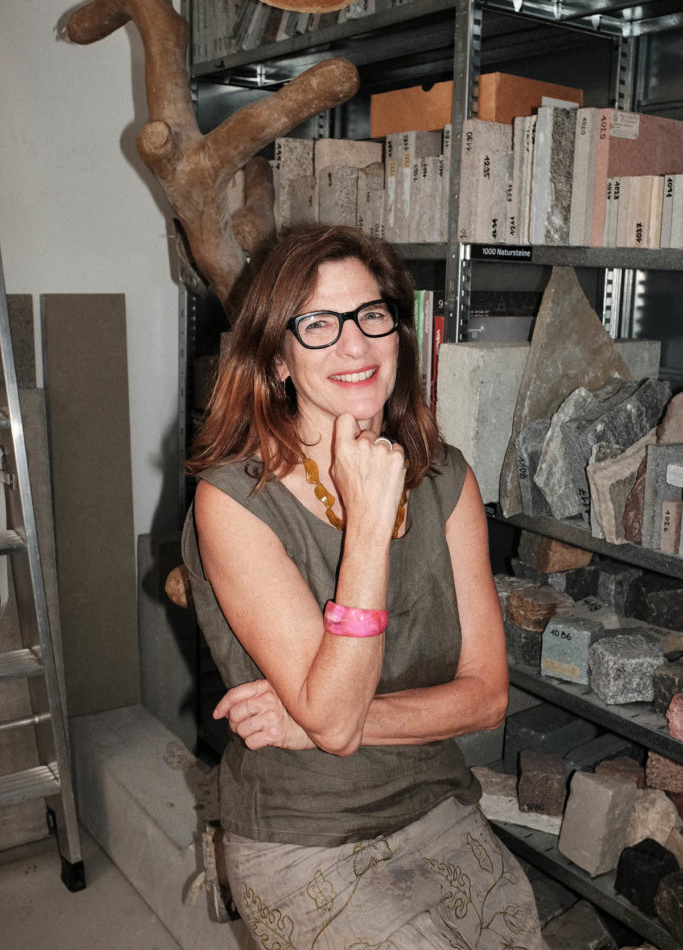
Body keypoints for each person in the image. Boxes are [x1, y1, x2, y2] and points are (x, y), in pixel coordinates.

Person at [182, 225, 547, 949]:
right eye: (316, 324)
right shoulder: (233, 500)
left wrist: (311, 721)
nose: (354, 345)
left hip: (438, 805)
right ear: (277, 361)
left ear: (399, 332)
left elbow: (485, 697)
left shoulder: (448, 478)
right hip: (304, 836)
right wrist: (369, 527)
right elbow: (334, 718)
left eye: (371, 315)